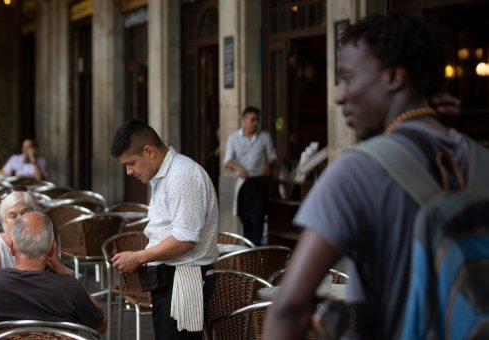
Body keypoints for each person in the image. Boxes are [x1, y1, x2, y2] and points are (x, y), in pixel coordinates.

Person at [264, 14, 473, 339]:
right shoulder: (480, 159)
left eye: (346, 77)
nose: (338, 95)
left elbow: (289, 307)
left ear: (394, 77)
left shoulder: (357, 170)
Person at [110, 119, 219, 340]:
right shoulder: (163, 174)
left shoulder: (182, 175)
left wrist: (139, 256)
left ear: (149, 151)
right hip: (169, 276)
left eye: (131, 163)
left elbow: (185, 239)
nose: (129, 172)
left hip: (185, 278)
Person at [0, 211, 107, 338]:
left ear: (13, 248)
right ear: (53, 249)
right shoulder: (70, 287)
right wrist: (64, 271)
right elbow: (101, 325)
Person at [0, 187, 72, 275]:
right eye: (12, 216)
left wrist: (56, 266)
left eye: (25, 213)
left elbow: (61, 276)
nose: (20, 220)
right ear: (4, 221)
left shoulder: (43, 240)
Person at [224, 106, 277, 245]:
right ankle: (247, 251)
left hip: (259, 182)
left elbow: (273, 156)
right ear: (243, 120)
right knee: (245, 219)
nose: (255, 123)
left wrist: (268, 165)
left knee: (258, 218)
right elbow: (227, 161)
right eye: (252, 120)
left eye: (257, 120)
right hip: (244, 183)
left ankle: (257, 250)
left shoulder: (265, 137)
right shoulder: (233, 138)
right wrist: (238, 168)